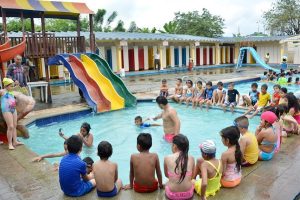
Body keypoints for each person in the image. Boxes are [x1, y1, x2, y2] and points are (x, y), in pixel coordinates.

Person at [164, 134, 195, 200]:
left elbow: (166, 175)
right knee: (193, 181)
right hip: (188, 194)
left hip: (172, 195)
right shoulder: (191, 158)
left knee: (167, 182)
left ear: (174, 146)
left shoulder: (167, 158)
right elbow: (192, 177)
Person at [0, 78, 22, 150]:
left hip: (13, 109)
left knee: (15, 125)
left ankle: (15, 141)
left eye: (12, 86)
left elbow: (17, 87)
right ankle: (10, 144)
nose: (12, 87)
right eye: (11, 86)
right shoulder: (2, 91)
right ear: (6, 86)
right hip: (6, 110)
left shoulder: (11, 91)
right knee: (10, 126)